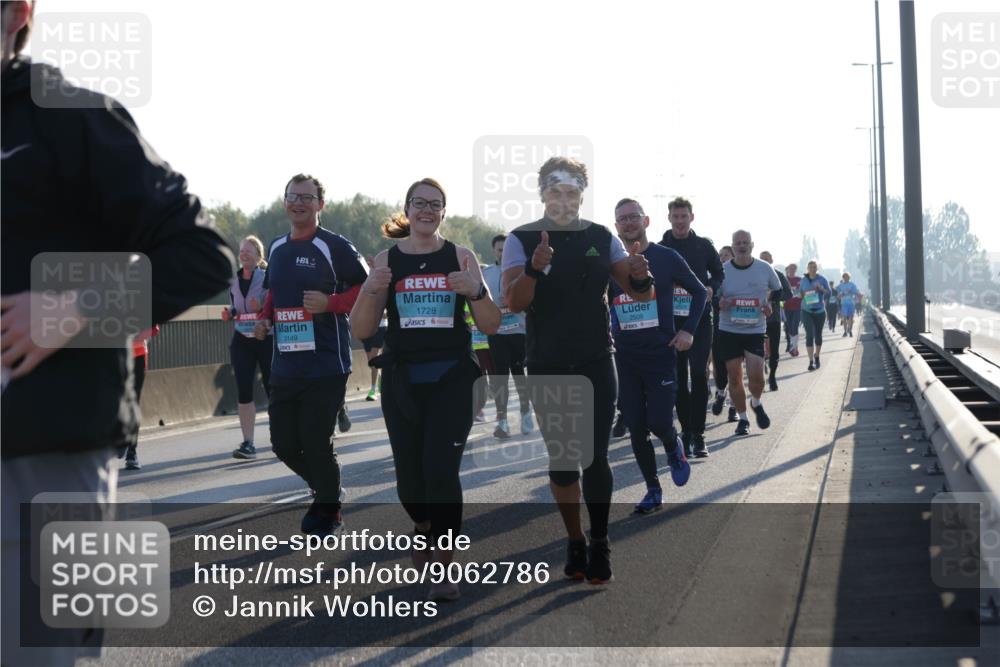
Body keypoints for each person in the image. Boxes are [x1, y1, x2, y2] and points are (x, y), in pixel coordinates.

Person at [2, 3, 234, 664]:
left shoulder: (71, 119)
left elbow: (202, 254)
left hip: (45, 467)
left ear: (18, 12)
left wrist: (77, 308)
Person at [502, 156, 653, 585]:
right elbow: (515, 302)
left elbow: (638, 289)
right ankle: (574, 539)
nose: (564, 200)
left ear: (581, 196)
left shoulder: (602, 237)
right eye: (555, 192)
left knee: (595, 456)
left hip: (595, 361)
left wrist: (641, 277)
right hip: (547, 363)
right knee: (564, 463)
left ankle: (600, 541)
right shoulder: (520, 239)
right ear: (542, 194)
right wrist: (534, 266)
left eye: (571, 193)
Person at [351, 178, 499, 601]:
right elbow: (362, 330)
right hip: (402, 379)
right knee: (409, 483)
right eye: (420, 204)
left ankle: (443, 567)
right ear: (408, 209)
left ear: (444, 213)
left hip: (453, 377)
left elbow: (490, 324)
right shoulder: (387, 260)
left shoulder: (460, 257)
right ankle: (422, 526)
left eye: (436, 205)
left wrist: (476, 290)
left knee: (441, 471)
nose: (427, 211)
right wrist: (369, 288)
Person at [253, 174, 367, 536]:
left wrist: (331, 303)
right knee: (283, 444)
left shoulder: (334, 246)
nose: (298, 202)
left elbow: (368, 289)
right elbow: (274, 292)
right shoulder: (275, 247)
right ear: (284, 201)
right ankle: (328, 489)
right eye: (292, 196)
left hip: (326, 363)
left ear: (321, 204)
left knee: (316, 442)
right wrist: (262, 319)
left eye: (307, 197)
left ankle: (328, 509)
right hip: (285, 363)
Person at [611, 198, 705, 512]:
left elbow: (700, 291)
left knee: (660, 422)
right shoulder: (611, 265)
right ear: (616, 227)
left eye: (633, 217)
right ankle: (653, 489)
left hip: (661, 354)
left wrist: (688, 330)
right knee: (636, 426)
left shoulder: (666, 257)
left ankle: (673, 445)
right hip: (625, 357)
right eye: (622, 219)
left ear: (646, 221)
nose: (628, 223)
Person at [659, 197, 724, 458]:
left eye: (684, 216)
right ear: (669, 218)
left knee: (698, 375)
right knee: (677, 378)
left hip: (699, 319)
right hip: (671, 321)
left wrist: (711, 287)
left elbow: (719, 273)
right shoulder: (661, 247)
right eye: (675, 217)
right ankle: (685, 431)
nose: (680, 221)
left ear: (691, 218)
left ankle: (699, 434)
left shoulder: (704, 246)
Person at [717, 231, 782, 436]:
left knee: (756, 376)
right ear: (733, 246)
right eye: (738, 243)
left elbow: (779, 289)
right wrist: (719, 303)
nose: (742, 246)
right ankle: (743, 419)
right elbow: (710, 295)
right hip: (729, 329)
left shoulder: (764, 268)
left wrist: (770, 302)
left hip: (755, 328)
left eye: (746, 243)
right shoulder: (723, 270)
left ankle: (755, 401)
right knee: (734, 378)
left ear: (752, 245)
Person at [223, 235, 273, 460]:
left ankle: (281, 436)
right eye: (242, 251)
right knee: (244, 390)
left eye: (249, 251)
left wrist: (262, 306)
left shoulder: (265, 277)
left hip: (265, 338)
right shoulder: (232, 280)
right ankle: (248, 443)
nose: (244, 254)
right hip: (242, 338)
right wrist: (230, 312)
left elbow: (275, 304)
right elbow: (236, 307)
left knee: (274, 389)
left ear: (258, 257)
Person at [483, 234, 534, 438]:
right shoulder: (486, 273)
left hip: (519, 331)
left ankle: (525, 412)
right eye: (499, 250)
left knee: (520, 375)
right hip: (497, 333)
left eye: (506, 250)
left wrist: (514, 300)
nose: (503, 253)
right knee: (499, 378)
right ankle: (502, 421)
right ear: (494, 251)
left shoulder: (519, 270)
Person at [122, 325, 160, 470]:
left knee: (133, 401)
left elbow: (153, 328)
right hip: (112, 355)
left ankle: (132, 451)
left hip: (137, 353)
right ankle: (118, 439)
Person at [710, 245, 738, 424]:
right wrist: (718, 301)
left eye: (726, 255)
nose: (722, 258)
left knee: (735, 370)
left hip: (740, 328)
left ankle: (734, 408)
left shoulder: (742, 275)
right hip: (719, 326)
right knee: (719, 368)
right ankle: (721, 393)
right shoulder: (715, 276)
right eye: (720, 255)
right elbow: (708, 296)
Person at [758, 252, 792, 391]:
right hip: (756, 319)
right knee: (757, 350)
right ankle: (760, 373)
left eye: (767, 259)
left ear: (772, 260)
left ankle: (772, 376)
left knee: (774, 350)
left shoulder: (778, 275)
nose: (765, 261)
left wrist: (773, 296)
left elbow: (788, 294)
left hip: (773, 318)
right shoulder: (754, 273)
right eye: (762, 259)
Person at [359, 255, 386, 401]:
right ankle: (380, 381)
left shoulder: (381, 278)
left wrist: (385, 313)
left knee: (374, 359)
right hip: (366, 326)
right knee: (371, 361)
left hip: (380, 327)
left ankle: (372, 390)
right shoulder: (362, 281)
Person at [799, 260, 831, 371]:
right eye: (810, 267)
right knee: (809, 334)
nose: (812, 269)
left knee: (818, 334)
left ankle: (817, 355)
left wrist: (821, 289)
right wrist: (802, 295)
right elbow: (801, 294)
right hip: (806, 311)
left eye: (814, 267)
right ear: (807, 268)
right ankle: (810, 361)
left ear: (817, 268)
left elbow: (829, 293)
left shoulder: (822, 279)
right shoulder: (803, 280)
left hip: (820, 311)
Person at [784, 263, 803, 357]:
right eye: (790, 269)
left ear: (796, 270)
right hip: (786, 307)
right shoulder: (784, 280)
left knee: (794, 326)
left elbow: (804, 291)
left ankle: (794, 347)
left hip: (797, 307)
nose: (792, 270)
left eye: (794, 269)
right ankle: (792, 345)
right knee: (789, 327)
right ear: (787, 269)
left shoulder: (799, 280)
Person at [837, 272, 860, 337]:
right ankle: (845, 331)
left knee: (851, 317)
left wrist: (851, 292)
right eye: (844, 277)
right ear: (843, 278)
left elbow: (856, 292)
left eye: (847, 277)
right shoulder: (840, 285)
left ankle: (850, 330)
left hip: (851, 303)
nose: (846, 278)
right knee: (844, 317)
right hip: (844, 303)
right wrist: (841, 294)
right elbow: (837, 294)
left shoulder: (852, 285)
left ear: (849, 277)